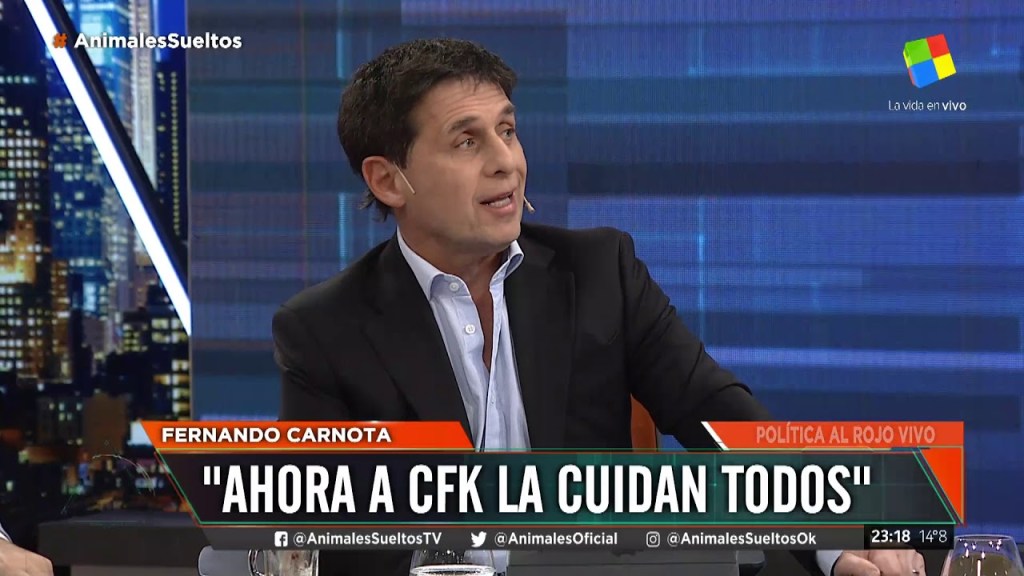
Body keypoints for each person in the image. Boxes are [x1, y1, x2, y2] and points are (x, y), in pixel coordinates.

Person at [273, 37, 926, 576]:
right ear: (389, 179)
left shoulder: (599, 271)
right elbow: (327, 537)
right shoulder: (324, 329)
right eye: (467, 142)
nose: (507, 163)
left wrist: (837, 533)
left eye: (508, 131)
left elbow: (717, 414)